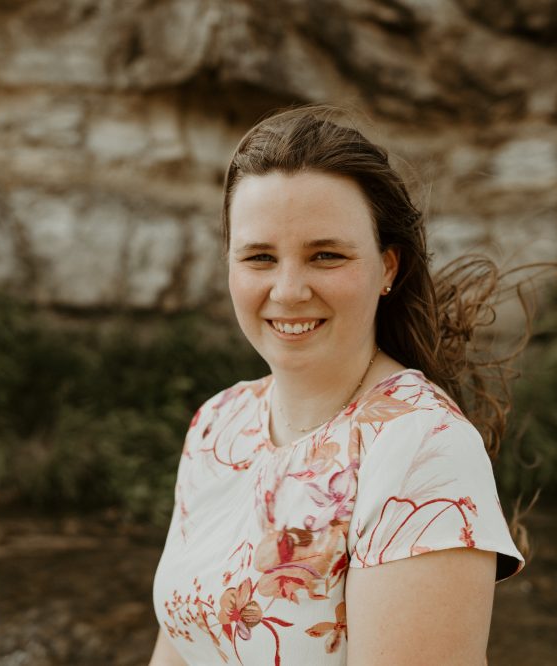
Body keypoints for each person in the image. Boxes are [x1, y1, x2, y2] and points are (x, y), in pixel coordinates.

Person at [150, 106, 526, 666]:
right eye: (260, 257)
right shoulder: (218, 424)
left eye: (326, 255)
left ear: (388, 267)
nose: (289, 289)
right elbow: (179, 647)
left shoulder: (422, 447)